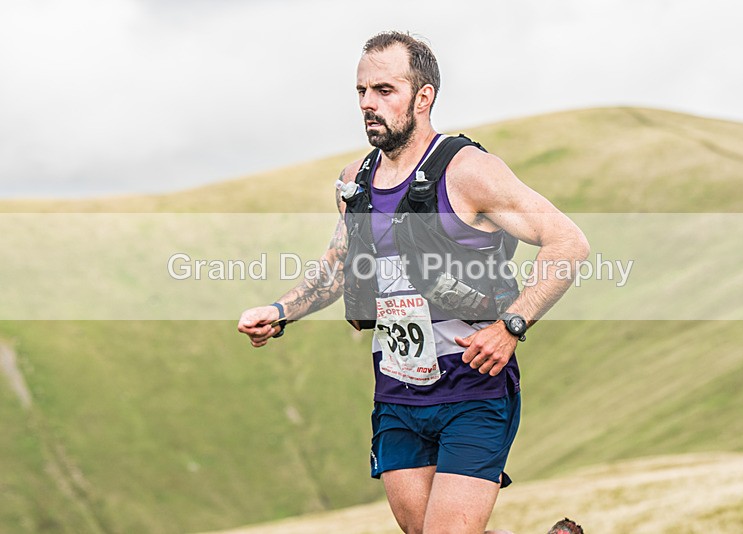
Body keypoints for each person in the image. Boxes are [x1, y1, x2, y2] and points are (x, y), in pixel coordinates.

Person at [239, 31, 589, 534]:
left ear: (423, 97)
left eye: (384, 90)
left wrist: (510, 326)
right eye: (361, 91)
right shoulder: (354, 182)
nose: (368, 104)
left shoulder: (469, 172)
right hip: (397, 390)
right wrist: (279, 311)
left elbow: (568, 243)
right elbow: (341, 265)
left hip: (471, 385)